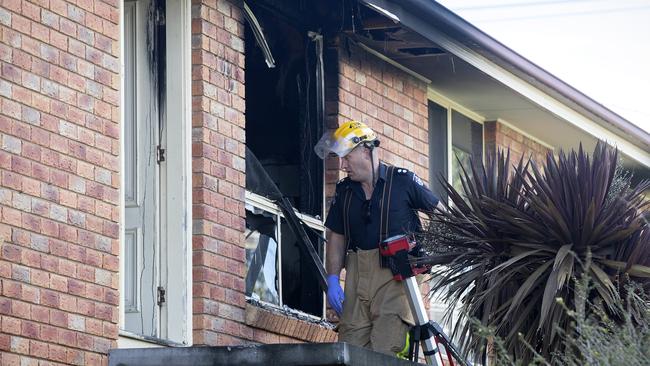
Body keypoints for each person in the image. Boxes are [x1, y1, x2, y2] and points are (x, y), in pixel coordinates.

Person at [314, 121, 441, 358]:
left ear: (365, 150)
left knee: (385, 348)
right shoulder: (344, 191)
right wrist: (332, 279)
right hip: (357, 275)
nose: (342, 166)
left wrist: (429, 251)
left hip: (396, 279)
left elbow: (442, 213)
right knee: (350, 351)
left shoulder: (402, 181)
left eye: (346, 158)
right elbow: (337, 238)